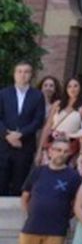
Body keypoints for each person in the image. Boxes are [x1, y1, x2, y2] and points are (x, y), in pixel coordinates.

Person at [1, 63, 46, 196]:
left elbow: (38, 120)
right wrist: (7, 135)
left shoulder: (38, 95)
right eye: (19, 71)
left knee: (19, 185)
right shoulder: (3, 93)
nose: (22, 74)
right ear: (14, 74)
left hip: (24, 146)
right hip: (3, 146)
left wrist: (20, 134)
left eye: (26, 72)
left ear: (31, 75)